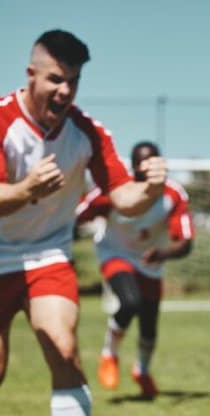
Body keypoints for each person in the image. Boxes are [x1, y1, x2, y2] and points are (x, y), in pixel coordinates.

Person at [0, 29, 168, 416]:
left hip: (47, 252)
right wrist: (28, 188)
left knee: (63, 345)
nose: (65, 91)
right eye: (56, 79)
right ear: (31, 76)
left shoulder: (87, 132)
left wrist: (149, 190)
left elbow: (121, 196)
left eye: (74, 82)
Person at [75, 141, 194, 399]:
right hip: (114, 254)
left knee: (149, 324)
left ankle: (141, 370)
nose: (145, 166)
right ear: (133, 165)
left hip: (150, 260)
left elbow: (186, 242)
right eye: (140, 161)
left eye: (151, 161)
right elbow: (79, 214)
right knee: (130, 302)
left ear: (159, 164)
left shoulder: (173, 194)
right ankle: (109, 354)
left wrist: (163, 253)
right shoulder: (115, 190)